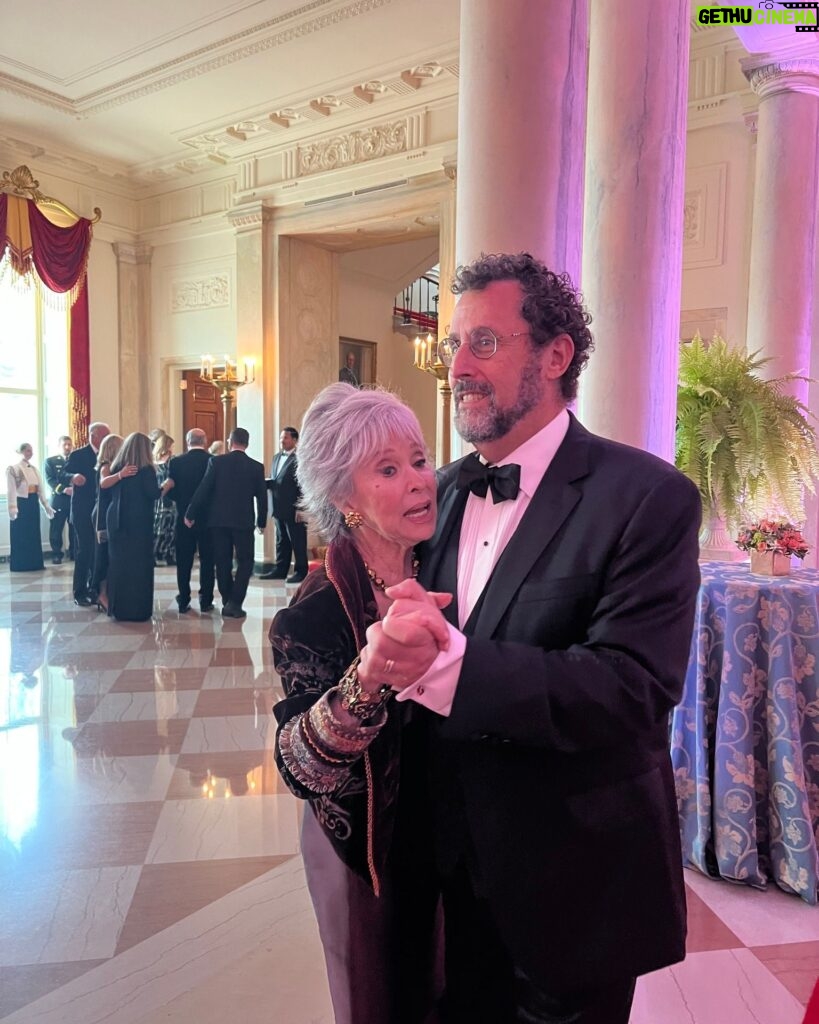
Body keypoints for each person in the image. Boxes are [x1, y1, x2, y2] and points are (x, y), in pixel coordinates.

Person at [362, 253, 702, 1024]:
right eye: (452, 344)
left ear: (555, 356)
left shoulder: (647, 498)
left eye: (483, 342)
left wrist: (446, 665)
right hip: (447, 871)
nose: (456, 366)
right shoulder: (439, 493)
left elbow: (632, 687)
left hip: (573, 880)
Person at [270, 383, 443, 1024]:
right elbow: (302, 769)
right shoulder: (313, 611)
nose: (419, 481)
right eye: (389, 470)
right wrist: (367, 680)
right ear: (347, 499)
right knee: (381, 998)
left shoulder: (450, 564)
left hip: (450, 834)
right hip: (365, 855)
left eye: (420, 460)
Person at [186, 427, 267, 619]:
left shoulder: (216, 462)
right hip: (243, 521)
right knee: (246, 561)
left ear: (230, 442)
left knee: (222, 561)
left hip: (218, 521)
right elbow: (262, 498)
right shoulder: (256, 467)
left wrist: (191, 512)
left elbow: (203, 489)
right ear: (247, 443)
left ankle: (227, 599)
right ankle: (235, 602)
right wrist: (261, 521)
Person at [106, 432, 161, 622]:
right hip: (138, 523)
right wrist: (167, 486)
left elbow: (105, 488)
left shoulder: (117, 467)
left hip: (116, 519)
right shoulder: (146, 470)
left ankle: (118, 608)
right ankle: (138, 610)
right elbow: (153, 493)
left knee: (119, 564)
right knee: (139, 566)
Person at [165, 427, 215, 613]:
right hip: (208, 519)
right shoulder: (213, 461)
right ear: (205, 441)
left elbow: (170, 492)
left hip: (183, 518)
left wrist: (183, 505)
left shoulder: (176, 462)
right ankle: (206, 600)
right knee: (207, 560)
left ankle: (183, 599)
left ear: (188, 442)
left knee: (184, 560)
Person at [62, 422, 110, 606]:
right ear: (94, 436)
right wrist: (72, 478)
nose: (107, 439)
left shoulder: (106, 455)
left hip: (100, 510)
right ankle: (79, 591)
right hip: (83, 510)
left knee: (98, 552)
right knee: (84, 551)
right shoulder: (78, 455)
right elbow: (63, 473)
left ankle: (95, 588)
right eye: (105, 435)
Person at [91, 434, 135, 612]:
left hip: (111, 514)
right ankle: (101, 594)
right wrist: (120, 475)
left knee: (111, 556)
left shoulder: (114, 466)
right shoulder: (105, 466)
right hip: (102, 515)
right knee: (103, 556)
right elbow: (104, 483)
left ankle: (110, 593)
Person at [259, 427, 308, 584]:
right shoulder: (276, 457)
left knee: (298, 541)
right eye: (281, 437)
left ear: (294, 440)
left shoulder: (301, 459)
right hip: (278, 506)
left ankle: (301, 571)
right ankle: (281, 570)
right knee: (281, 540)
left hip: (294, 508)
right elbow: (278, 478)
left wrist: (301, 508)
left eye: (285, 437)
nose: (282, 440)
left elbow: (304, 485)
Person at [6, 443, 53, 571]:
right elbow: (11, 490)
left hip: (32, 502)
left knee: (33, 532)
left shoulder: (34, 469)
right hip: (21, 503)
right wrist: (12, 507)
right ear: (21, 452)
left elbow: (40, 489)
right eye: (27, 451)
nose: (30, 453)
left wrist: (46, 505)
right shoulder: (13, 469)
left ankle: (34, 562)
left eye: (31, 451)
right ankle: (21, 564)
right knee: (21, 533)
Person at [44, 435, 74, 564]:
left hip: (74, 499)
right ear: (59, 446)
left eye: (69, 444)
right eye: (64, 445)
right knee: (56, 529)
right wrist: (63, 489)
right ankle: (57, 554)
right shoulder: (51, 461)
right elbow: (50, 479)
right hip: (59, 499)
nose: (67, 447)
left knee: (74, 528)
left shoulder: (76, 460)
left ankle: (74, 552)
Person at [153, 432, 177, 566]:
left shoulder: (168, 461)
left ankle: (164, 553)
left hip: (164, 498)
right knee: (162, 527)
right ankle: (161, 553)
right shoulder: (165, 462)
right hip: (161, 496)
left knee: (166, 527)